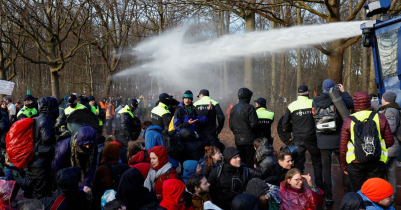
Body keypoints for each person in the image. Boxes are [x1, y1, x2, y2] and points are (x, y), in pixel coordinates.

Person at [340, 91, 394, 191]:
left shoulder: (349, 120)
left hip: (355, 163)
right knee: (376, 192)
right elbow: (390, 141)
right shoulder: (380, 117)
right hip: (376, 161)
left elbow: (343, 148)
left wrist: (344, 166)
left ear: (355, 103)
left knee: (359, 192)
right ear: (369, 102)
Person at [312, 80, 353, 206]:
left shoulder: (315, 100)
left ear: (323, 88)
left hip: (323, 140)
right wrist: (344, 91)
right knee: (343, 167)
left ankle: (328, 198)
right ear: (333, 87)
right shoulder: (337, 98)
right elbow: (350, 103)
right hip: (338, 139)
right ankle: (348, 195)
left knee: (326, 170)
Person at [282, 85, 323, 189]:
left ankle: (297, 188)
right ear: (307, 93)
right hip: (313, 137)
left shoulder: (292, 106)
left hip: (298, 138)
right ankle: (320, 187)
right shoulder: (314, 103)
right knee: (317, 161)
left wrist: (292, 131)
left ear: (298, 94)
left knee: (299, 162)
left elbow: (284, 124)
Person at [24, 97, 59, 199]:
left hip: (35, 161)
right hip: (40, 163)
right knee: (41, 193)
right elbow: (47, 139)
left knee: (37, 190)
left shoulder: (38, 118)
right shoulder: (46, 119)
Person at [52, 126, 98, 195]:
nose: (88, 146)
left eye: (90, 144)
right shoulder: (64, 147)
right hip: (66, 173)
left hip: (82, 174)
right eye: (85, 144)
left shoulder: (93, 146)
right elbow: (57, 168)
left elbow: (92, 165)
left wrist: (87, 184)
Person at [371, 90, 400, 197]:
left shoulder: (390, 111)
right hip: (392, 147)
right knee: (391, 173)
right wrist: (371, 103)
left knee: (378, 172)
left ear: (386, 99)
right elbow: (379, 108)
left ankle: (381, 197)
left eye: (382, 98)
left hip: (389, 147)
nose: (381, 99)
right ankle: (391, 197)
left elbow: (390, 128)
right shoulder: (390, 108)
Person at [229, 87, 258, 168]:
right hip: (249, 139)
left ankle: (242, 177)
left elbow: (231, 125)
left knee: (240, 160)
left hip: (238, 139)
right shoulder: (250, 107)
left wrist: (237, 133)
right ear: (248, 97)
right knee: (249, 161)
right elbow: (254, 124)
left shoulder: (233, 109)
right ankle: (249, 178)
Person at [92, 143, 122, 210]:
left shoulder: (101, 169)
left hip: (104, 204)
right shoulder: (123, 167)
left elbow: (95, 189)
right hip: (120, 204)